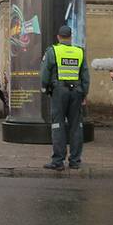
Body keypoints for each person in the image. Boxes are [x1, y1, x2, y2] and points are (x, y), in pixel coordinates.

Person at [40, 25, 89, 171]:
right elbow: (85, 75)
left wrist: (45, 88)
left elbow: (45, 73)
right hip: (77, 92)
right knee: (76, 126)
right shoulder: (79, 52)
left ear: (58, 37)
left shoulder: (52, 51)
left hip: (59, 92)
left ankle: (58, 161)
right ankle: (75, 160)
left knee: (58, 125)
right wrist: (84, 93)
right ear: (71, 37)